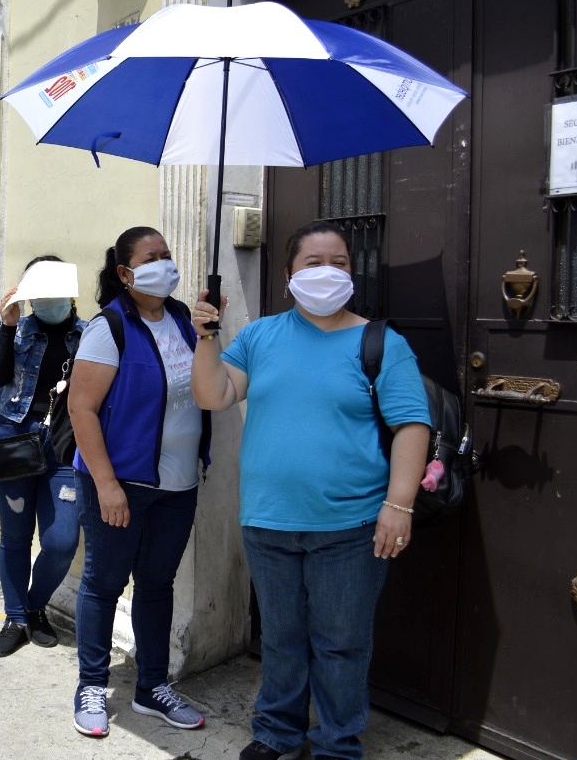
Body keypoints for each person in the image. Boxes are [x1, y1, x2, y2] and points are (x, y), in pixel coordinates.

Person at [190, 220, 431, 760]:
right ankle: (277, 732)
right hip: (268, 521)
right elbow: (214, 396)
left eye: (338, 263)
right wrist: (206, 336)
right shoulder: (260, 336)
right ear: (289, 275)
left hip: (350, 528)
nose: (327, 272)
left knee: (341, 645)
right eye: (313, 263)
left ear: (353, 273)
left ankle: (337, 744)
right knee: (281, 639)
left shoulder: (380, 343)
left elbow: (412, 426)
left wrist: (399, 505)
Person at [67, 226, 212, 737]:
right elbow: (81, 409)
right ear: (126, 273)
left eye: (167, 255)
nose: (165, 264)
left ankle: (152, 686)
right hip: (120, 482)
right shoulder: (110, 327)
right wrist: (106, 485)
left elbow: (205, 387)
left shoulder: (182, 319)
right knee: (104, 583)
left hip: (179, 484)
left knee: (156, 583)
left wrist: (210, 332)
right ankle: (91, 684)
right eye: (152, 257)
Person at [0, 255, 85, 657]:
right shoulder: (20, 329)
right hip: (14, 438)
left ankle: (33, 605)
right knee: (16, 537)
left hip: (64, 446)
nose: (44, 300)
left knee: (61, 541)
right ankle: (16, 619)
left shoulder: (89, 334)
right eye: (35, 291)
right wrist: (7, 325)